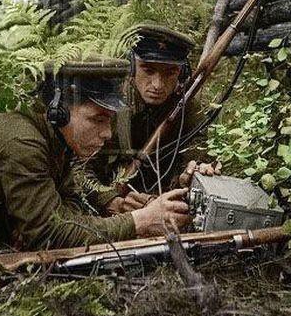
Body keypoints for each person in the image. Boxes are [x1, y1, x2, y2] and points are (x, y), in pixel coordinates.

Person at [0, 55, 191, 249]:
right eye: (97, 119)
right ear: (59, 111)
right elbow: (48, 233)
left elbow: (66, 200)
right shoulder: (22, 143)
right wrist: (139, 221)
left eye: (109, 120)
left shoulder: (56, 134)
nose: (107, 133)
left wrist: (112, 206)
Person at [86, 24, 214, 214]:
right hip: (109, 209)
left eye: (170, 73)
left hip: (165, 204)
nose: (157, 85)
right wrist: (109, 200)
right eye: (148, 70)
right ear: (131, 67)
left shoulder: (187, 107)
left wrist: (190, 173)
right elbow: (78, 170)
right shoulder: (109, 103)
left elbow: (197, 154)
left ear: (182, 73)